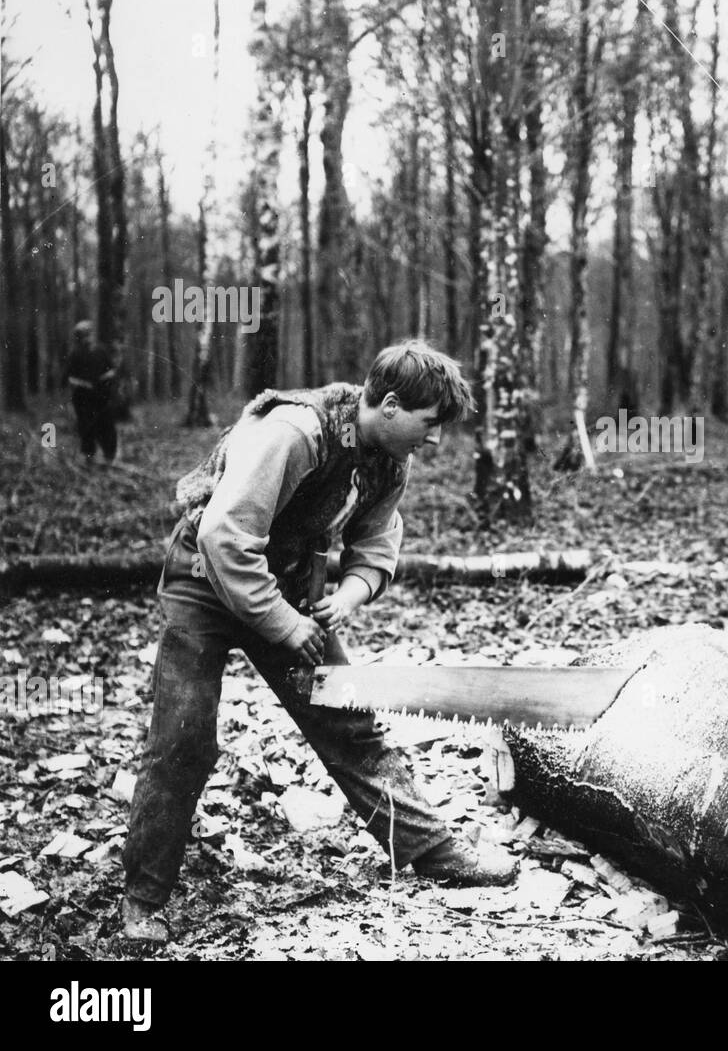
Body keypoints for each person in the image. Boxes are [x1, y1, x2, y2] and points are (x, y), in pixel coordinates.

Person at [120, 341, 517, 944]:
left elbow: (378, 542)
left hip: (280, 587)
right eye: (430, 424)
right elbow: (224, 539)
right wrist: (286, 624)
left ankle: (431, 850)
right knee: (183, 740)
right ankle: (143, 902)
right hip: (203, 583)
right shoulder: (295, 431)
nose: (435, 441)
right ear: (388, 405)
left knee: (349, 721)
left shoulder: (388, 457)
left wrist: (351, 593)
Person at [64, 320, 118, 464]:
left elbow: (112, 370)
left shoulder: (101, 350)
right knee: (86, 428)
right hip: (83, 398)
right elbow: (70, 378)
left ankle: (109, 457)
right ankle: (89, 458)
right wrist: (84, 384)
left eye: (89, 333)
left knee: (106, 426)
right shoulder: (75, 354)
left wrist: (104, 378)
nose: (87, 337)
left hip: (102, 396)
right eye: (83, 335)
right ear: (79, 337)